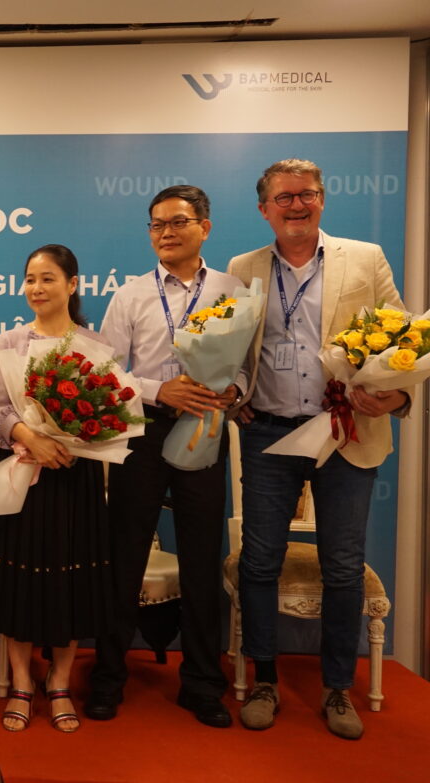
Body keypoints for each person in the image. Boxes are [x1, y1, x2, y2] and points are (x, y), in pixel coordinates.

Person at [228, 159, 409, 739]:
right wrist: (233, 396)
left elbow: (403, 337)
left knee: (342, 566)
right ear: (265, 210)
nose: (296, 205)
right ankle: (264, 678)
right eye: (284, 197)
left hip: (345, 431)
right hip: (268, 434)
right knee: (260, 562)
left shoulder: (366, 258)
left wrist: (399, 396)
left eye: (306, 194)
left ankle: (337, 688)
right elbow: (232, 347)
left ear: (323, 200)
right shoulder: (243, 268)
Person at [89, 185, 242, 728]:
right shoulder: (131, 294)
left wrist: (235, 391)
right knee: (124, 554)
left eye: (178, 222)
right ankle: (108, 676)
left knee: (201, 556)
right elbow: (106, 371)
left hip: (207, 425)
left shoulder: (232, 289)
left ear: (205, 227)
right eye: (156, 224)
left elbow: (247, 361)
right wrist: (159, 391)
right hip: (144, 430)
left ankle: (202, 683)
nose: (166, 233)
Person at [0, 244, 110, 733]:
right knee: (20, 579)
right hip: (23, 469)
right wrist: (32, 438)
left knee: (70, 580)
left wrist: (77, 438)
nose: (37, 288)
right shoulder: (9, 342)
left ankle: (59, 681)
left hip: (75, 474)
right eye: (30, 279)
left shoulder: (96, 345)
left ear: (72, 285)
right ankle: (20, 681)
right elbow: (0, 411)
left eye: (48, 278)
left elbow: (107, 411)